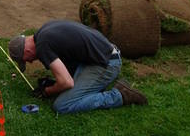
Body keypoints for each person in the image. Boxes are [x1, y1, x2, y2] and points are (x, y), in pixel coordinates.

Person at [8, 19, 148, 114]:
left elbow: (66, 82)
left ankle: (120, 95)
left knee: (62, 105)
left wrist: (47, 92)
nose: (30, 62)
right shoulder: (43, 32)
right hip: (102, 54)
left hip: (106, 64)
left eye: (26, 60)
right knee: (64, 86)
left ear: (26, 51)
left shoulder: (43, 46)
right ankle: (92, 88)